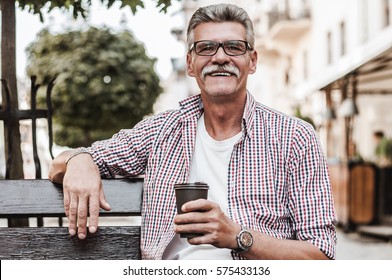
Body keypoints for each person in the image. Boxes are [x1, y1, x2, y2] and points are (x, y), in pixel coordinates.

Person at [49, 3, 337, 260]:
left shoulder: (295, 137)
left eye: (234, 47)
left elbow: (322, 256)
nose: (220, 57)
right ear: (190, 63)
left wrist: (238, 237)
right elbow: (61, 162)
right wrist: (80, 160)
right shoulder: (162, 131)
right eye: (206, 48)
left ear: (253, 61)